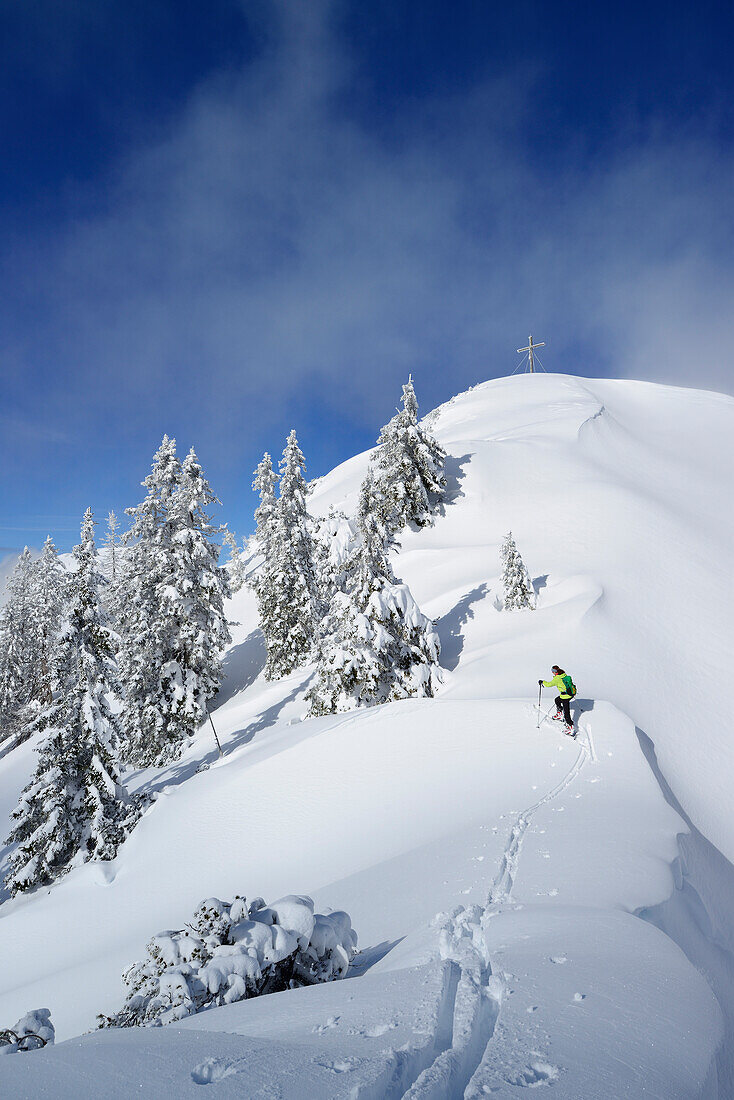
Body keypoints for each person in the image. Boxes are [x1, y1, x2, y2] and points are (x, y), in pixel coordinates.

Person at [539, 665, 576, 736]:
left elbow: (549, 684)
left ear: (554, 672)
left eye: (552, 671)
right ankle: (559, 714)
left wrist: (542, 682)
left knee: (566, 712)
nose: (552, 673)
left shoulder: (557, 678)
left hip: (565, 696)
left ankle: (570, 727)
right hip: (571, 694)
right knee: (557, 700)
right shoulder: (563, 674)